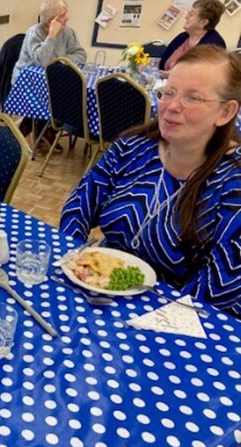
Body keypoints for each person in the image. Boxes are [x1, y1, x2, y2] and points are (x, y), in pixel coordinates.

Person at [61, 45, 240, 317]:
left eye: (193, 98)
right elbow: (78, 207)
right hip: (100, 290)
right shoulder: (131, 149)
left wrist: (151, 319)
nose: (171, 107)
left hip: (176, 317)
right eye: (168, 92)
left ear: (226, 112)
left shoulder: (233, 182)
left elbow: (220, 288)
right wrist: (78, 266)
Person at [11, 0, 87, 155]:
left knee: (71, 94)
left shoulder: (68, 32)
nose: (68, 18)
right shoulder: (35, 33)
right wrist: (52, 35)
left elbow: (81, 54)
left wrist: (62, 61)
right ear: (50, 21)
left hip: (53, 80)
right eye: (63, 15)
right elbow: (43, 60)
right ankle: (42, 132)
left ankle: (43, 130)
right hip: (27, 82)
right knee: (55, 98)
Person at [159, 0, 226, 79]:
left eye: (191, 14)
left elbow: (205, 77)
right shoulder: (183, 37)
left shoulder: (214, 45)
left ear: (203, 22)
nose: (186, 17)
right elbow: (162, 63)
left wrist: (175, 76)